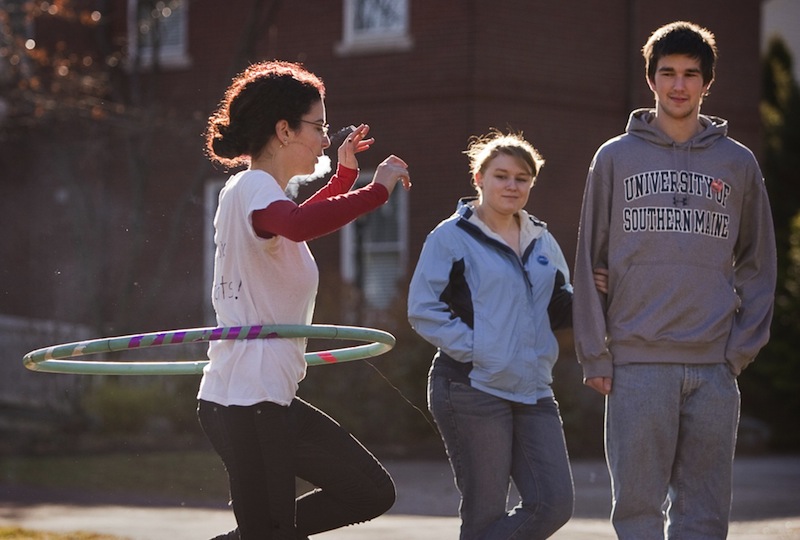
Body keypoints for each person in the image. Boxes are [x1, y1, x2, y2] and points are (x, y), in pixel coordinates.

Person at [573, 21, 776, 539]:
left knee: (704, 518)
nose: (679, 85)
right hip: (635, 367)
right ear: (652, 80)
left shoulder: (738, 163)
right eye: (668, 73)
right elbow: (588, 256)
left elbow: (758, 262)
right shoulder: (614, 157)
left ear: (707, 82)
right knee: (637, 514)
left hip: (713, 369)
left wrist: (738, 351)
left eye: (691, 74)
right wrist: (595, 353)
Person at [197, 60, 411, 540]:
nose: (325, 138)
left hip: (258, 396)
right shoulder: (253, 186)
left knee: (368, 491)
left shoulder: (251, 193)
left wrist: (344, 178)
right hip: (249, 399)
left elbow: (289, 223)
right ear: (283, 130)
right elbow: (296, 225)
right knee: (270, 530)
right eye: (319, 126)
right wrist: (377, 191)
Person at [408, 130, 574, 539]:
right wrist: (481, 352)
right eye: (502, 176)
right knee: (484, 513)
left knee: (553, 504)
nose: (512, 185)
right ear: (479, 177)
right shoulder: (450, 237)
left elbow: (561, 306)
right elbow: (423, 309)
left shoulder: (542, 240)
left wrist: (601, 293)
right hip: (470, 386)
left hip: (534, 388)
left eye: (522, 178)